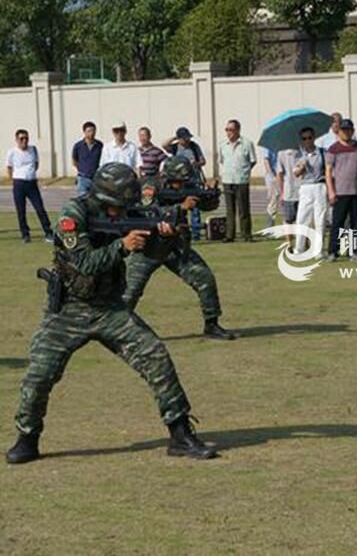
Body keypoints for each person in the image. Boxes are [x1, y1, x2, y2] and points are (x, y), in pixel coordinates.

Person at [5, 163, 216, 465]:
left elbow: (152, 255)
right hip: (69, 309)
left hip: (110, 308)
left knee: (156, 357)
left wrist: (164, 237)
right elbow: (84, 264)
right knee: (39, 374)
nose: (122, 212)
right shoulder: (73, 215)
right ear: (102, 199)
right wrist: (122, 246)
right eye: (117, 207)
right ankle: (27, 438)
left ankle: (180, 433)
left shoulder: (132, 213)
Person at [123, 156, 233, 340]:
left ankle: (212, 324)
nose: (181, 186)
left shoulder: (187, 186)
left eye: (184, 182)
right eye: (178, 182)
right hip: (148, 247)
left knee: (204, 278)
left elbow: (206, 206)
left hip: (175, 245)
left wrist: (211, 195)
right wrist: (180, 208)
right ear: (168, 177)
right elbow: (148, 213)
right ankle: (119, 329)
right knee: (130, 292)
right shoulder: (150, 187)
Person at [326, 119, 357, 260]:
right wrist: (331, 191)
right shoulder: (333, 149)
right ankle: (333, 251)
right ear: (338, 132)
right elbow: (328, 171)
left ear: (353, 131)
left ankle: (354, 251)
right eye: (343, 130)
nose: (346, 132)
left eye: (349, 130)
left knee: (356, 223)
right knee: (338, 223)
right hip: (340, 192)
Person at [6, 129, 53, 243]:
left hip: (31, 183)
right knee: (21, 211)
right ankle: (25, 234)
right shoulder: (12, 152)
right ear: (17, 140)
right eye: (21, 138)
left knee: (40, 208)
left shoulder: (33, 149)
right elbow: (9, 167)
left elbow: (36, 164)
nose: (24, 141)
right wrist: (15, 178)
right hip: (19, 183)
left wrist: (30, 174)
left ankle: (48, 232)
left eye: (26, 138)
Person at [163, 127, 206, 241]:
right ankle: (181, 229)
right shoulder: (175, 147)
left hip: (193, 179)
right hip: (179, 181)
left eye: (188, 138)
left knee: (194, 205)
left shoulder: (194, 146)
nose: (187, 140)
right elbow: (164, 145)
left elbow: (203, 161)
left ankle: (196, 232)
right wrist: (174, 138)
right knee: (181, 206)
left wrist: (196, 163)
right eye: (185, 138)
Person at [219, 119, 257, 243]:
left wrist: (244, 171)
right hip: (228, 180)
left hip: (241, 180)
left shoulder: (247, 143)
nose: (228, 132)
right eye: (227, 130)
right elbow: (222, 161)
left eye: (231, 130)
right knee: (230, 210)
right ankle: (230, 235)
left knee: (243, 209)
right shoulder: (223, 145)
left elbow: (252, 161)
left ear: (237, 130)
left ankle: (246, 234)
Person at [294, 126, 328, 255]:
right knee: (302, 218)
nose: (307, 140)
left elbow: (328, 170)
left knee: (320, 219)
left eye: (309, 137)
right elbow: (296, 173)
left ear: (314, 138)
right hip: (305, 187)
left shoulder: (322, 152)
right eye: (304, 138)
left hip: (319, 186)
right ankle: (299, 248)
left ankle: (318, 250)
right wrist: (301, 167)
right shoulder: (299, 154)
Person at [277, 147, 301, 245]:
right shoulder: (281, 153)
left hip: (303, 190)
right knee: (288, 219)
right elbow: (279, 174)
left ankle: (305, 243)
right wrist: (282, 192)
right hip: (289, 191)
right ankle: (289, 242)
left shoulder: (303, 152)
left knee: (303, 220)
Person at [71, 121, 103, 196]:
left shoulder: (99, 145)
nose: (91, 133)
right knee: (83, 199)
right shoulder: (78, 146)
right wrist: (82, 169)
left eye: (93, 131)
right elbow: (74, 160)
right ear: (84, 132)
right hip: (83, 178)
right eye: (89, 131)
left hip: (96, 178)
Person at [263, 146, 280, 229]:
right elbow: (266, 161)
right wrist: (272, 175)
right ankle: (270, 227)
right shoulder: (269, 146)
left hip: (284, 176)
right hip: (273, 177)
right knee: (273, 200)